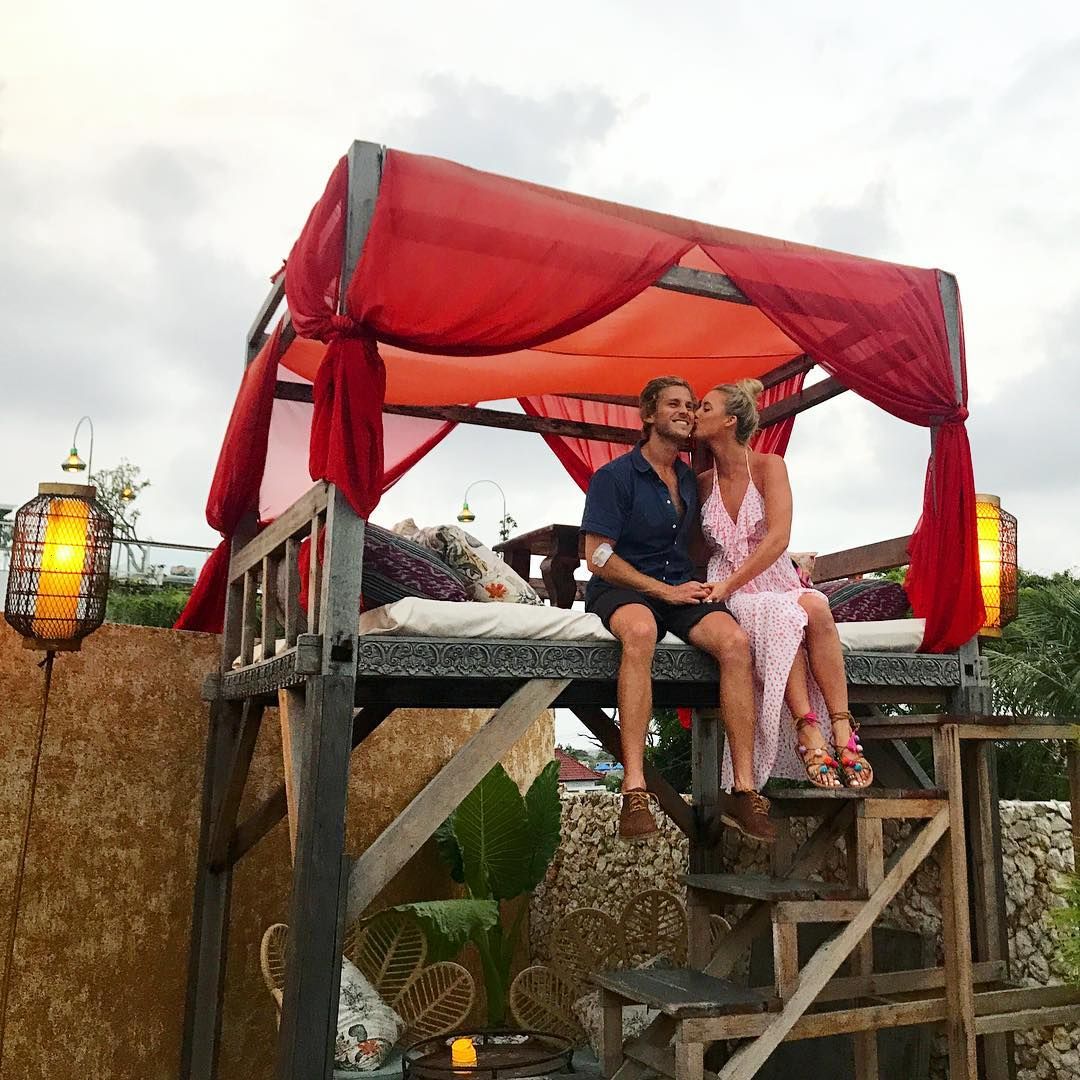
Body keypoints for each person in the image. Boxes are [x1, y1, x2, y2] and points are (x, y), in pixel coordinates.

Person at [581, 376, 776, 843]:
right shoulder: (614, 477)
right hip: (624, 590)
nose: (686, 412)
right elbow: (597, 556)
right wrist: (660, 592)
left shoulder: (690, 478)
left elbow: (714, 534)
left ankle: (744, 789)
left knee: (734, 642)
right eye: (674, 404)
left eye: (691, 405)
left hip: (679, 589)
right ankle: (634, 790)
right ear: (648, 414)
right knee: (641, 630)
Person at [693, 378, 874, 792]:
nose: (696, 414)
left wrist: (733, 583)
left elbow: (778, 538)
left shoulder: (769, 467)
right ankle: (807, 727)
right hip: (727, 584)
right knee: (782, 613)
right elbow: (693, 548)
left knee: (816, 605)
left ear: (729, 421)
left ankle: (841, 727)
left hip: (768, 575)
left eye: (705, 407)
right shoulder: (702, 483)